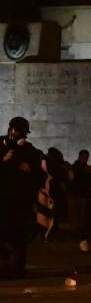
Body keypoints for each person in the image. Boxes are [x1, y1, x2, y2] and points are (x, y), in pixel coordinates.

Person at [0, 117, 44, 279]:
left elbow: (40, 176)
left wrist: (30, 170)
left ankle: (18, 268)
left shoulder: (30, 151)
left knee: (19, 236)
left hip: (20, 201)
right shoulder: (1, 146)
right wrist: (3, 160)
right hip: (2, 200)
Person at [66, 149, 91, 244]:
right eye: (84, 157)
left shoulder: (75, 167)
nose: (85, 159)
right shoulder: (79, 168)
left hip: (78, 194)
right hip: (77, 194)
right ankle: (76, 234)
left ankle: (77, 234)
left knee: (78, 215)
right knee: (77, 215)